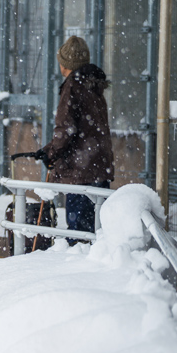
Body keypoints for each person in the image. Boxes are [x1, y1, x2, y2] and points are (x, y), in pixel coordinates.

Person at [35, 35, 115, 241]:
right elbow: (85, 129)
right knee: (95, 233)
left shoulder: (72, 86)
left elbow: (66, 128)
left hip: (81, 172)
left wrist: (51, 152)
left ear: (65, 64)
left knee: (78, 235)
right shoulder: (94, 87)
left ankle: (78, 272)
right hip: (99, 167)